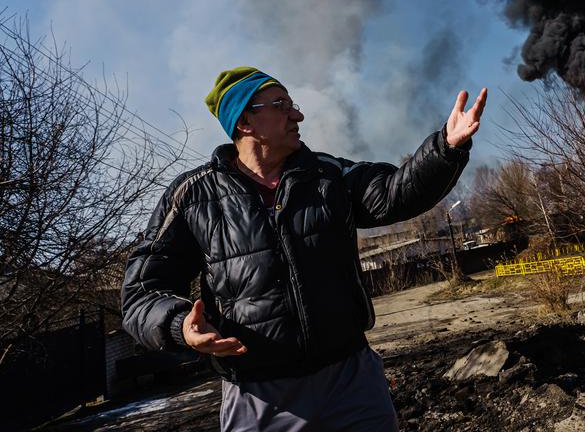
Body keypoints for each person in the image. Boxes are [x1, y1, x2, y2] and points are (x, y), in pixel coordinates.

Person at [122, 67, 486, 431]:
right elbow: (141, 291)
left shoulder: (328, 175)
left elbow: (395, 192)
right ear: (245, 120)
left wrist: (445, 148)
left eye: (291, 104)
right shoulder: (193, 195)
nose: (297, 114)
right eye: (281, 104)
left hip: (351, 382)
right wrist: (179, 325)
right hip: (259, 397)